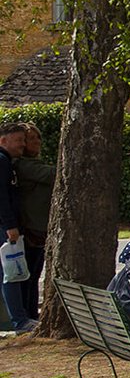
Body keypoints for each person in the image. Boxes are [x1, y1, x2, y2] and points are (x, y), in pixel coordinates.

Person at [11, 125, 55, 322]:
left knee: (34, 273)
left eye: (38, 137)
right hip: (31, 227)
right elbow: (52, 174)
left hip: (39, 226)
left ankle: (31, 314)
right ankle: (26, 315)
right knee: (27, 275)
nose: (36, 142)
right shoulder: (23, 165)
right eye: (30, 139)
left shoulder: (33, 164)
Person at [1, 122, 32, 332]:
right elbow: (1, 197)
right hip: (4, 227)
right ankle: (19, 321)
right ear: (4, 140)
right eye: (19, 140)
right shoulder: (2, 161)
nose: (23, 145)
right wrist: (10, 225)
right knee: (10, 273)